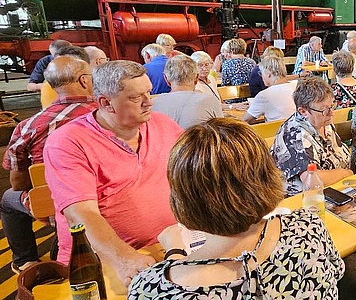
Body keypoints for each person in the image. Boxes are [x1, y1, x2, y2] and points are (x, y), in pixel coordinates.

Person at [128, 118, 345, 299]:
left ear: (183, 196)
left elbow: (175, 282)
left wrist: (174, 252)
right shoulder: (308, 226)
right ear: (269, 177)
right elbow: (336, 273)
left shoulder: (149, 289)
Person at [44, 60, 183, 285]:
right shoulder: (68, 142)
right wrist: (124, 258)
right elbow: (81, 214)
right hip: (103, 262)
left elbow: (197, 170)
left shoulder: (163, 125)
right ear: (106, 103)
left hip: (167, 247)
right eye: (136, 97)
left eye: (149, 92)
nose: (149, 103)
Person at [1, 56, 97, 273]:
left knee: (8, 199)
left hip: (54, 204)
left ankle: (25, 261)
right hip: (107, 195)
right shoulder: (108, 115)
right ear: (84, 81)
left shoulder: (29, 126)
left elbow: (18, 183)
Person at [271, 77, 353, 196]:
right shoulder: (295, 135)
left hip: (335, 189)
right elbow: (311, 178)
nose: (331, 113)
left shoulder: (322, 120)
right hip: (303, 200)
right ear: (303, 111)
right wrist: (346, 173)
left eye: (332, 106)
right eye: (325, 109)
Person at [151, 55, 224, 129]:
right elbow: (221, 133)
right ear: (196, 78)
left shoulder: (153, 104)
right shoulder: (210, 101)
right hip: (196, 140)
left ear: (166, 79)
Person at [242, 56, 296, 123]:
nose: (261, 76)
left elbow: (245, 120)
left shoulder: (264, 95)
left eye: (261, 73)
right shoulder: (296, 87)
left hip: (276, 132)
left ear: (268, 74)